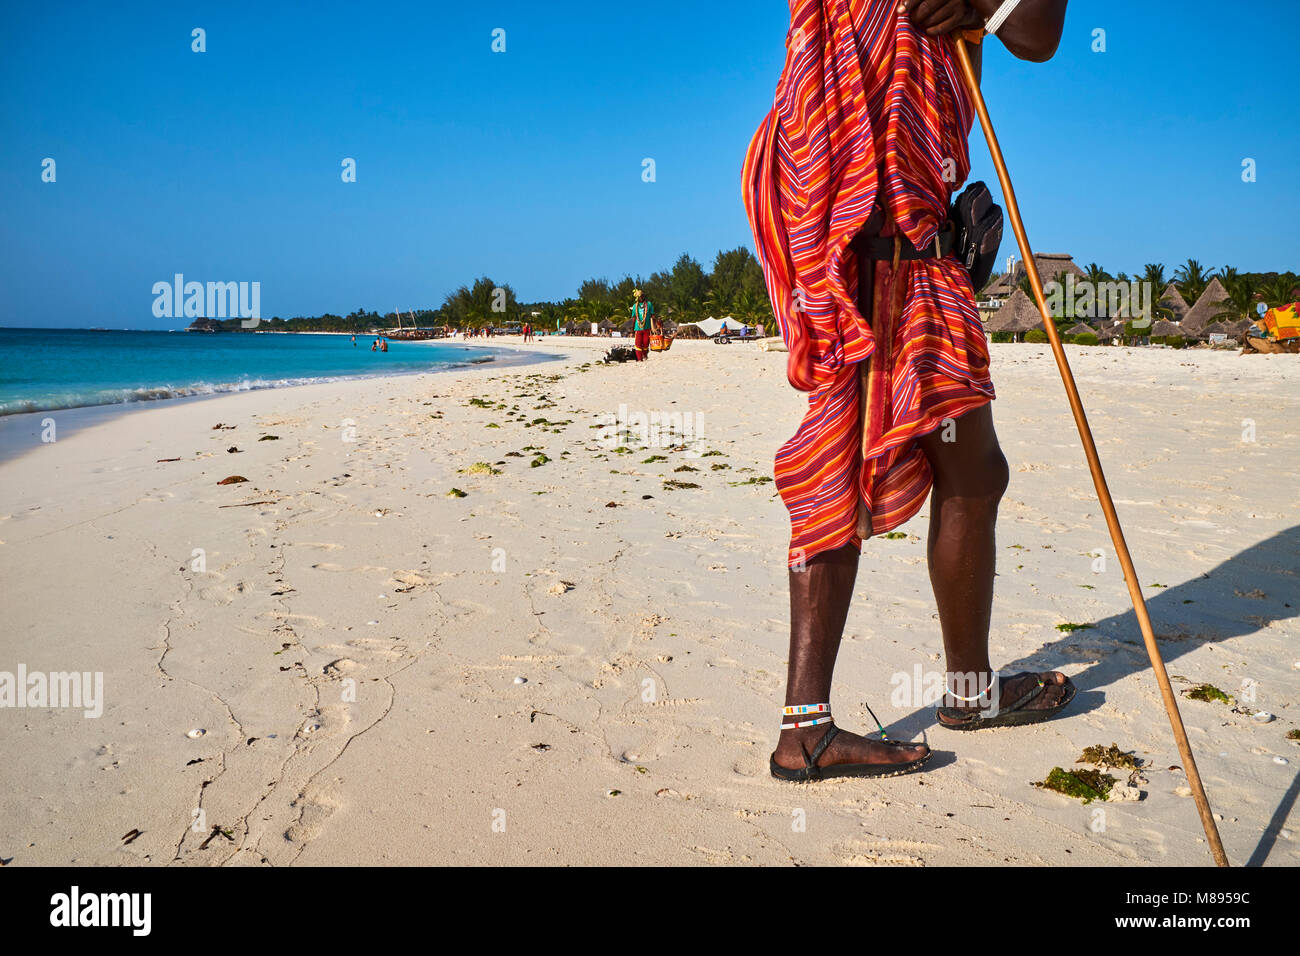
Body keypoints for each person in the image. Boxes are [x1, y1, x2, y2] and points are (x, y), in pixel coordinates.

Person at [744, 0, 1072, 782]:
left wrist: (978, 5)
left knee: (972, 469)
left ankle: (968, 689)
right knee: (839, 468)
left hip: (922, 258)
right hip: (864, 257)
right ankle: (806, 728)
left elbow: (1040, 31)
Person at [631, 289, 654, 361]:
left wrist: (655, 326)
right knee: (638, 344)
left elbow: (652, 315)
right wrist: (632, 328)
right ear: (637, 297)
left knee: (646, 343)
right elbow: (634, 317)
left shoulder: (649, 304)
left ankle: (644, 355)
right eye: (639, 296)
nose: (641, 297)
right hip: (638, 328)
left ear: (644, 296)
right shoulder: (635, 306)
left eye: (642, 296)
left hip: (647, 327)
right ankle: (639, 358)